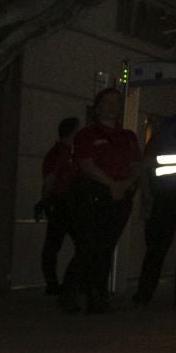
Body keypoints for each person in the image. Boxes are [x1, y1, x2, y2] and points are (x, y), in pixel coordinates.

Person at [62, 87, 141, 315]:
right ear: (97, 107)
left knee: (105, 247)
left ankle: (98, 296)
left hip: (120, 195)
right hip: (92, 194)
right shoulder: (88, 135)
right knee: (88, 245)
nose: (113, 106)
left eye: (117, 102)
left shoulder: (128, 136)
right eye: (107, 102)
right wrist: (111, 184)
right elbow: (86, 164)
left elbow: (136, 166)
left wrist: (124, 185)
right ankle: (71, 293)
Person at [132, 112, 176, 306]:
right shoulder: (167, 127)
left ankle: (144, 293)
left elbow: (147, 163)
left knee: (156, 247)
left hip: (163, 193)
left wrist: (147, 193)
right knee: (157, 247)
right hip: (165, 194)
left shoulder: (165, 128)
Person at [37, 115, 80, 294]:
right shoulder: (59, 153)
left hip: (66, 202)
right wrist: (46, 200)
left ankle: (55, 284)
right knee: (54, 244)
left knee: (55, 244)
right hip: (61, 202)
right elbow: (50, 180)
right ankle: (53, 284)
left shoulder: (68, 153)